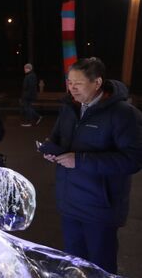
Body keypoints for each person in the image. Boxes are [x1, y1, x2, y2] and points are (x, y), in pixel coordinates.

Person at [41, 57, 142, 274]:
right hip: (69, 202)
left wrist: (80, 160)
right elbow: (58, 137)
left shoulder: (124, 114)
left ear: (97, 83)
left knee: (99, 267)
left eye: (78, 83)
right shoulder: (69, 107)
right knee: (74, 265)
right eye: (69, 82)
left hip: (100, 208)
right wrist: (52, 150)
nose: (72, 88)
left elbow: (133, 159)